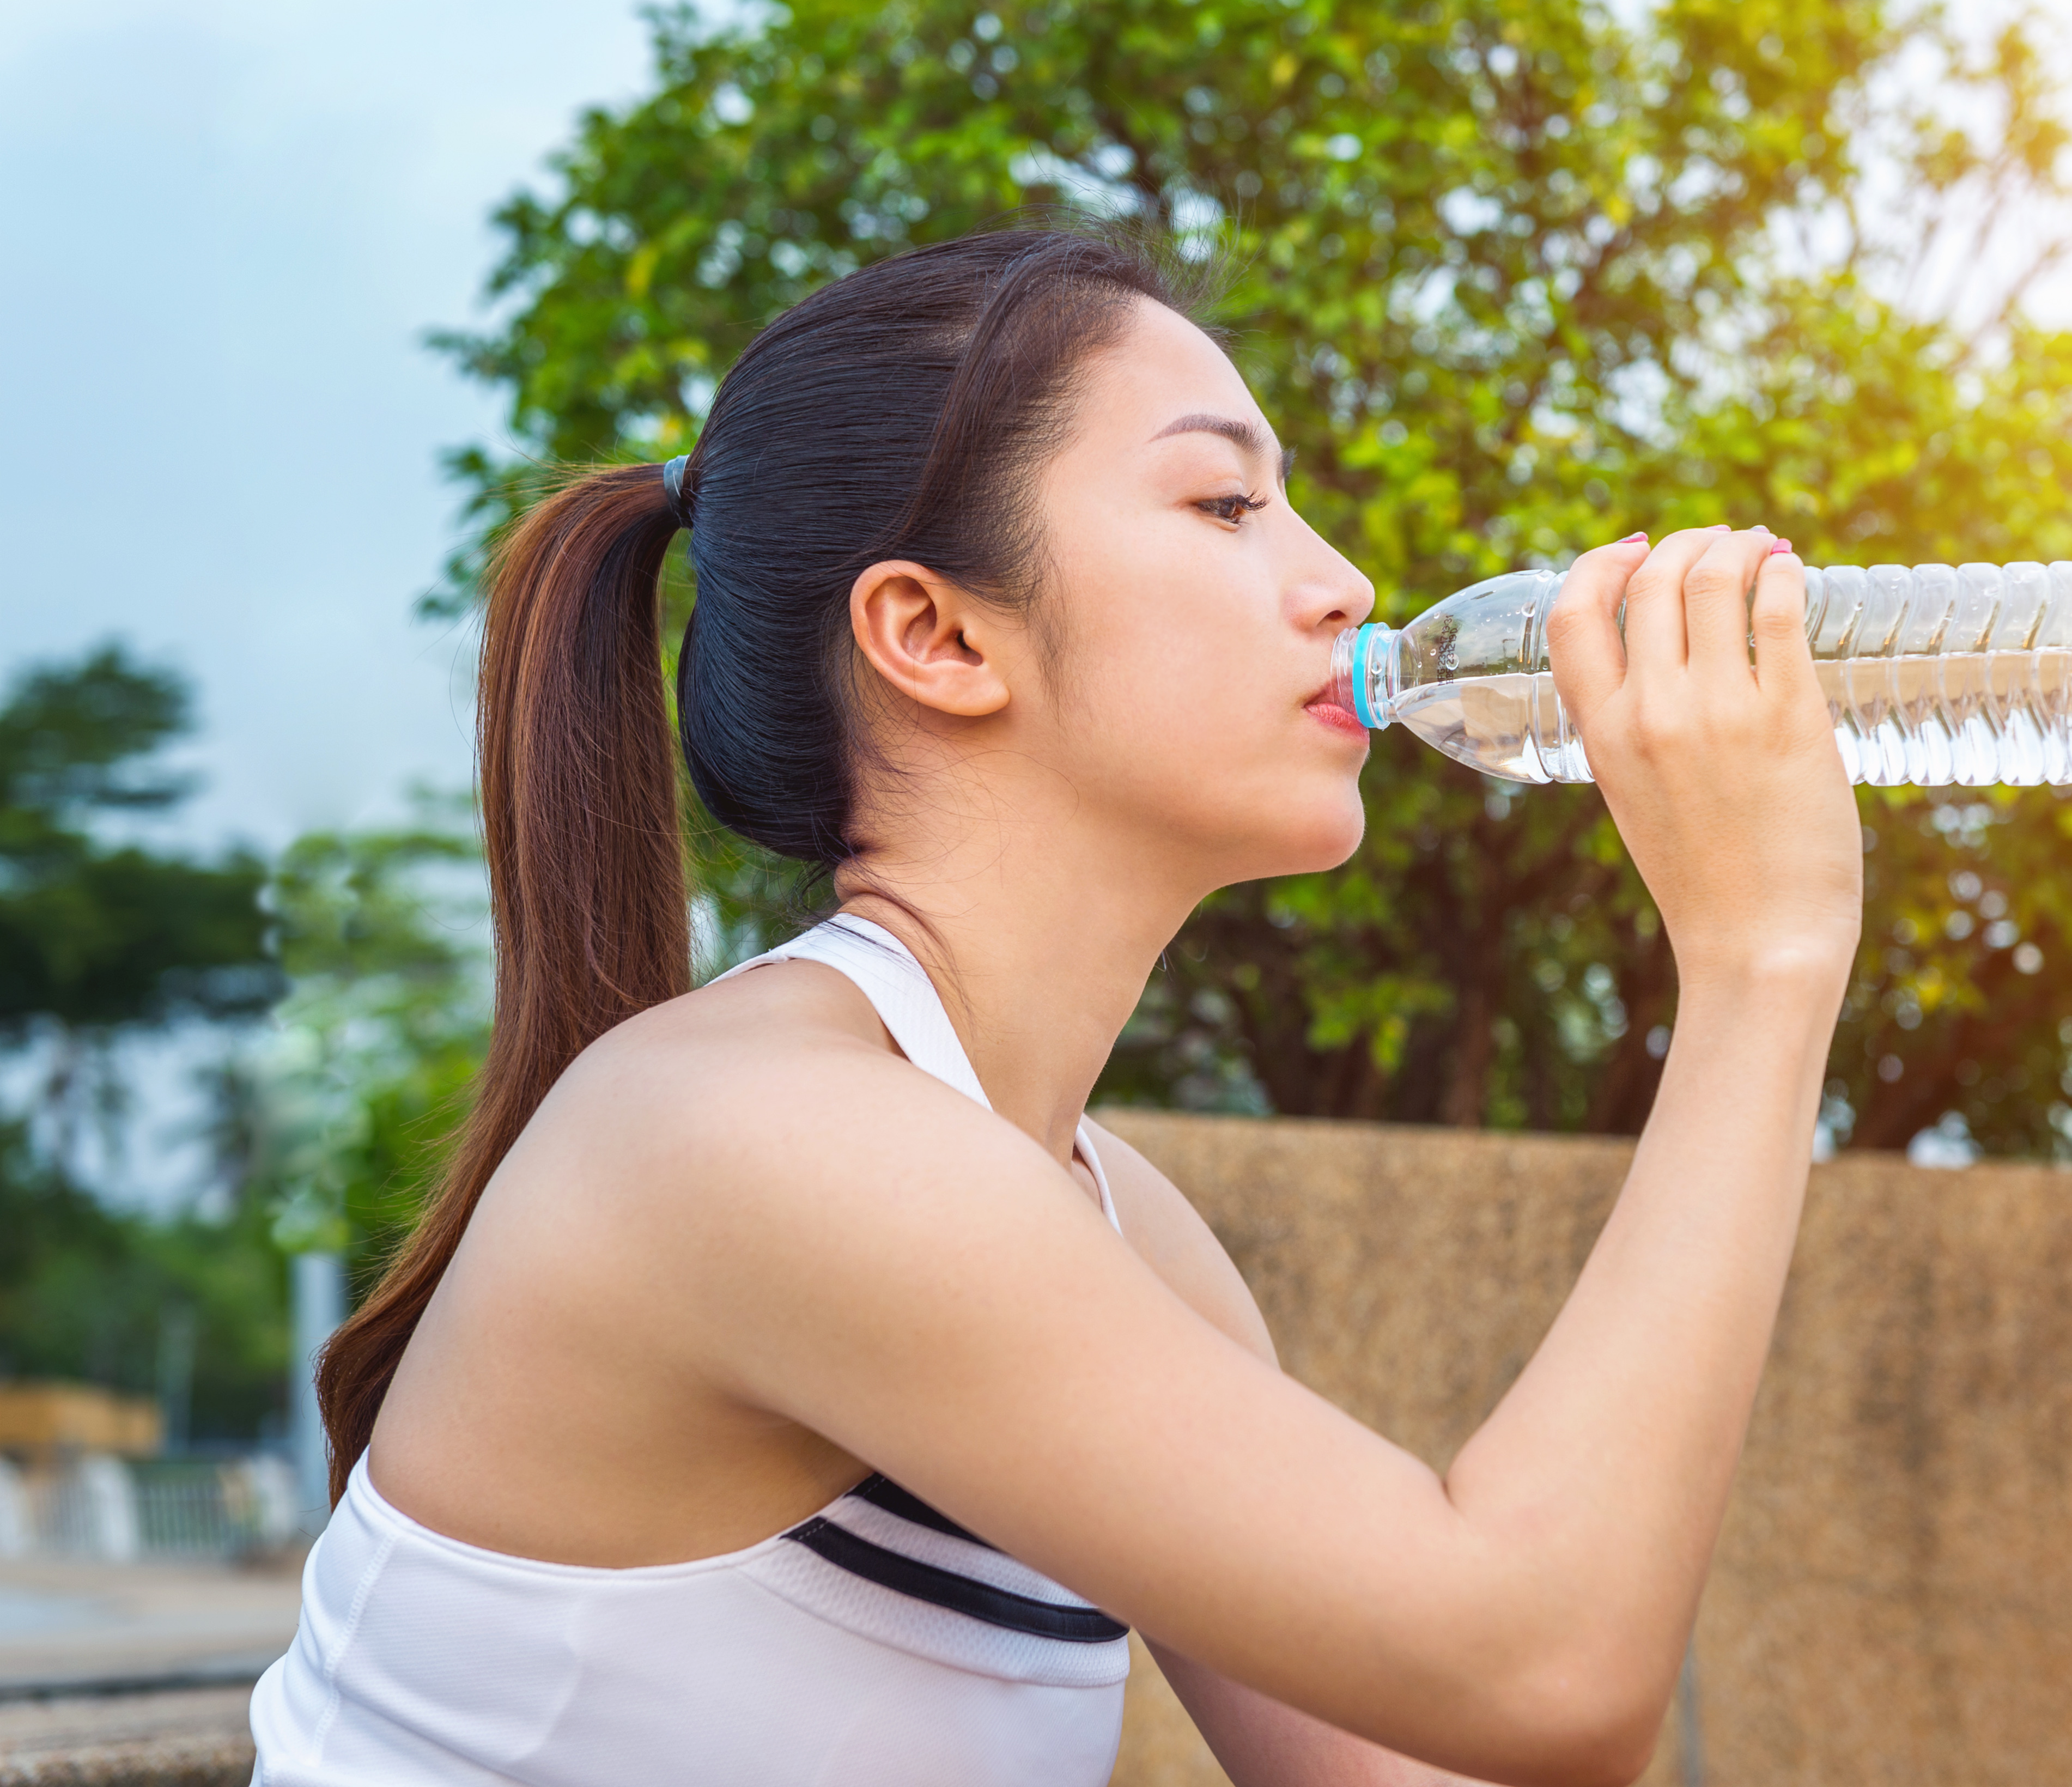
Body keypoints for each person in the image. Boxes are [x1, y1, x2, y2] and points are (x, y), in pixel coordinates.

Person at [248, 222, 1862, 1787]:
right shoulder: (758, 1138)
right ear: (937, 636)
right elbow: (1540, 1670)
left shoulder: (1105, 1221)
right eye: (1226, 500)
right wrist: (1758, 963)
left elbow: (1440, 1751)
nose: (1346, 583)